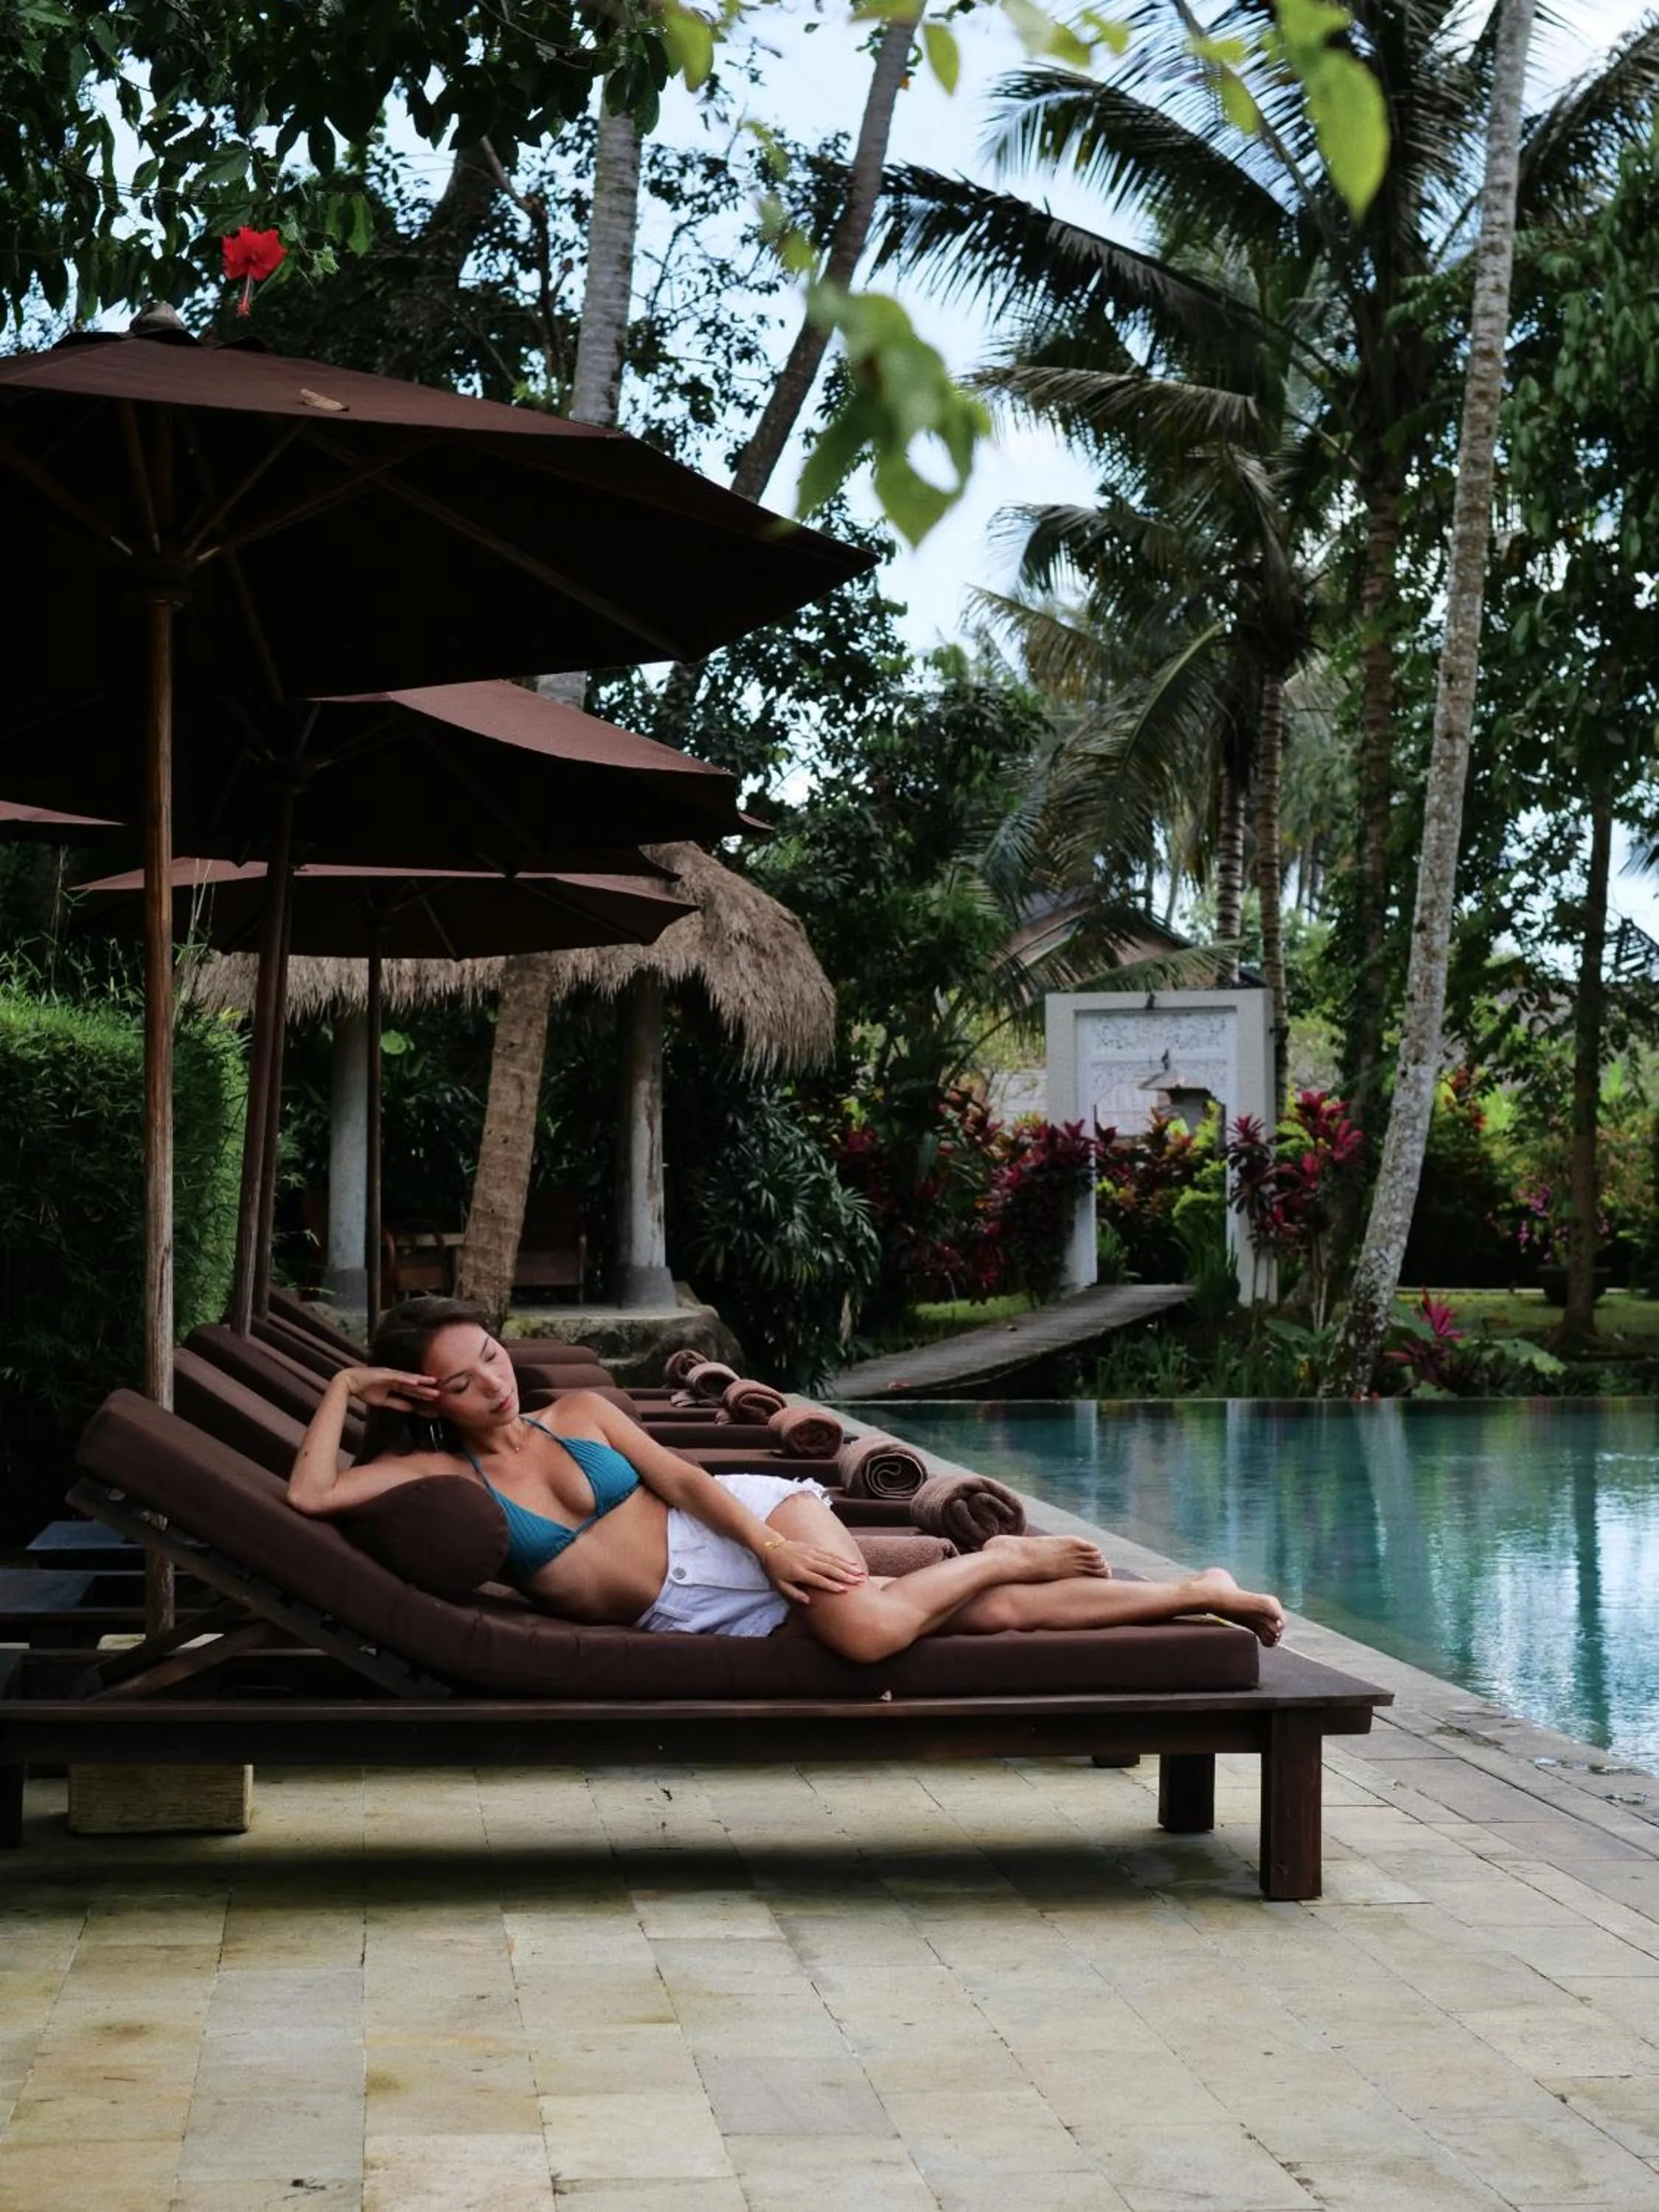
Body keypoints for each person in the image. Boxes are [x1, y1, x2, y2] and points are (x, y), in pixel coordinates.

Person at [289, 1297, 1285, 1658]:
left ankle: (1003, 1556)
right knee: (977, 1624)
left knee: (861, 1632)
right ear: (429, 1398)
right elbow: (309, 1498)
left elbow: (684, 1482)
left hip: (743, 1528)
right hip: (688, 1616)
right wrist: (345, 1382)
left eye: (493, 1359)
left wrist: (765, 1541)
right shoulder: (432, 1471)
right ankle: (1192, 1593)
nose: (493, 1386)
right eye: (461, 1383)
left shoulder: (578, 1415)